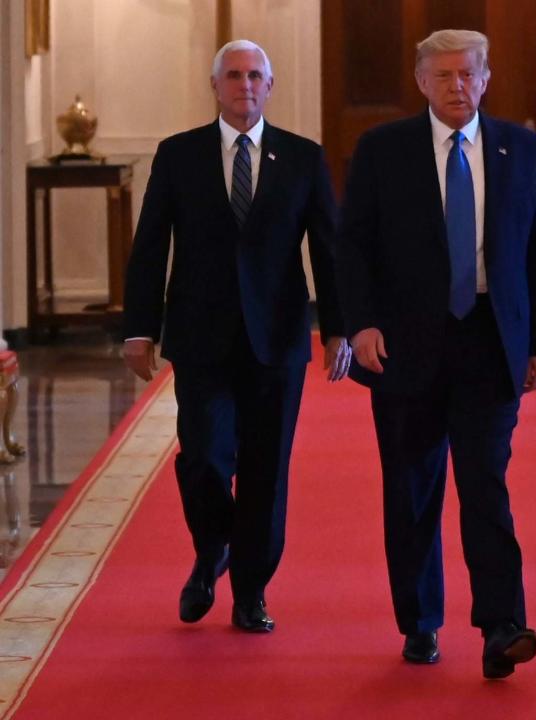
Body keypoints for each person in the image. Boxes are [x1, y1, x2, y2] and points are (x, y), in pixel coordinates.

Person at [337, 29, 536, 679]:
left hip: (491, 342)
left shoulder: (523, 149)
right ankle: (420, 621)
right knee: (412, 491)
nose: (457, 86)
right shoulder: (383, 151)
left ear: (486, 79)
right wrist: (361, 325)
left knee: (485, 484)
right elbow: (353, 248)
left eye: (468, 74)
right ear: (421, 82)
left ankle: (502, 626)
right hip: (403, 348)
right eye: (443, 76)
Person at [122, 39, 350, 633]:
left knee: (266, 469)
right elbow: (150, 246)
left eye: (254, 75)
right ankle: (213, 547)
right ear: (215, 86)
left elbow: (328, 249)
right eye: (233, 75)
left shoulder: (302, 158)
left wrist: (338, 328)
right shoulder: (179, 155)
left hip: (277, 338)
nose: (244, 84)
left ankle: (250, 592)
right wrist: (139, 328)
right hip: (200, 336)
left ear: (269, 87)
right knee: (203, 457)